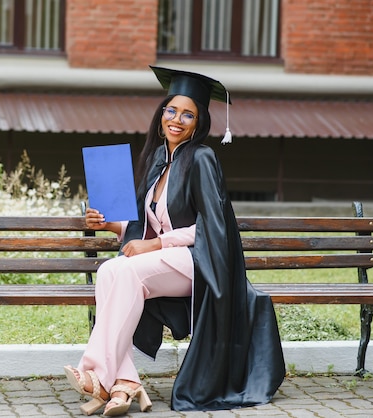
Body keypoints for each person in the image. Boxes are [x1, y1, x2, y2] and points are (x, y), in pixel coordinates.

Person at [64, 66, 285, 416]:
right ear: (161, 114)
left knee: (124, 271)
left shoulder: (202, 158)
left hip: (197, 262)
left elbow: (213, 227)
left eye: (188, 114)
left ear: (199, 123)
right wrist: (111, 226)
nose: (177, 120)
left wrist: (155, 245)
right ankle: (124, 383)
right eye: (171, 111)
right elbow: (146, 226)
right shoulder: (157, 161)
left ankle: (95, 372)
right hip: (168, 260)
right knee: (110, 271)